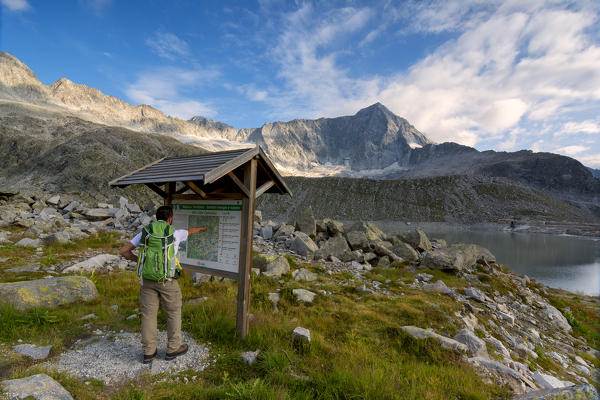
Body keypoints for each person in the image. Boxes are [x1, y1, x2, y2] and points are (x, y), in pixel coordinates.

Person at [119, 205, 206, 363]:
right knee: (173, 312)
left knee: (148, 315)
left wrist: (137, 260)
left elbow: (123, 251)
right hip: (168, 280)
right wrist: (202, 228)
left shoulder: (145, 232)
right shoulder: (175, 233)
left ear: (156, 217)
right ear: (170, 219)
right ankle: (173, 349)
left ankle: (148, 353)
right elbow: (191, 231)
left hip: (147, 280)